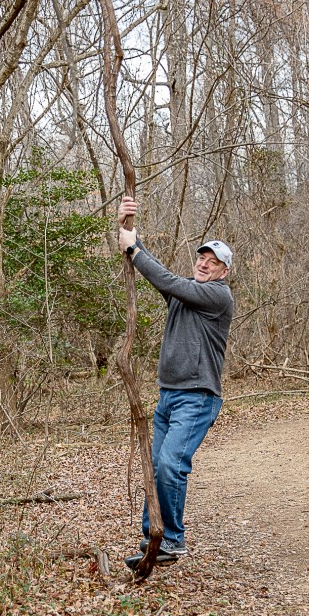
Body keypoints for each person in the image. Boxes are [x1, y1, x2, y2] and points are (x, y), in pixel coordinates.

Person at [118, 196, 233, 565]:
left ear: (223, 272)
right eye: (202, 258)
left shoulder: (217, 296)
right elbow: (162, 277)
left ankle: (173, 540)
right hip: (168, 396)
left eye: (213, 262)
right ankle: (152, 539)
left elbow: (164, 278)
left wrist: (134, 250)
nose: (204, 264)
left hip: (197, 398)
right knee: (155, 468)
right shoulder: (185, 292)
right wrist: (127, 228)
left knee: (171, 465)